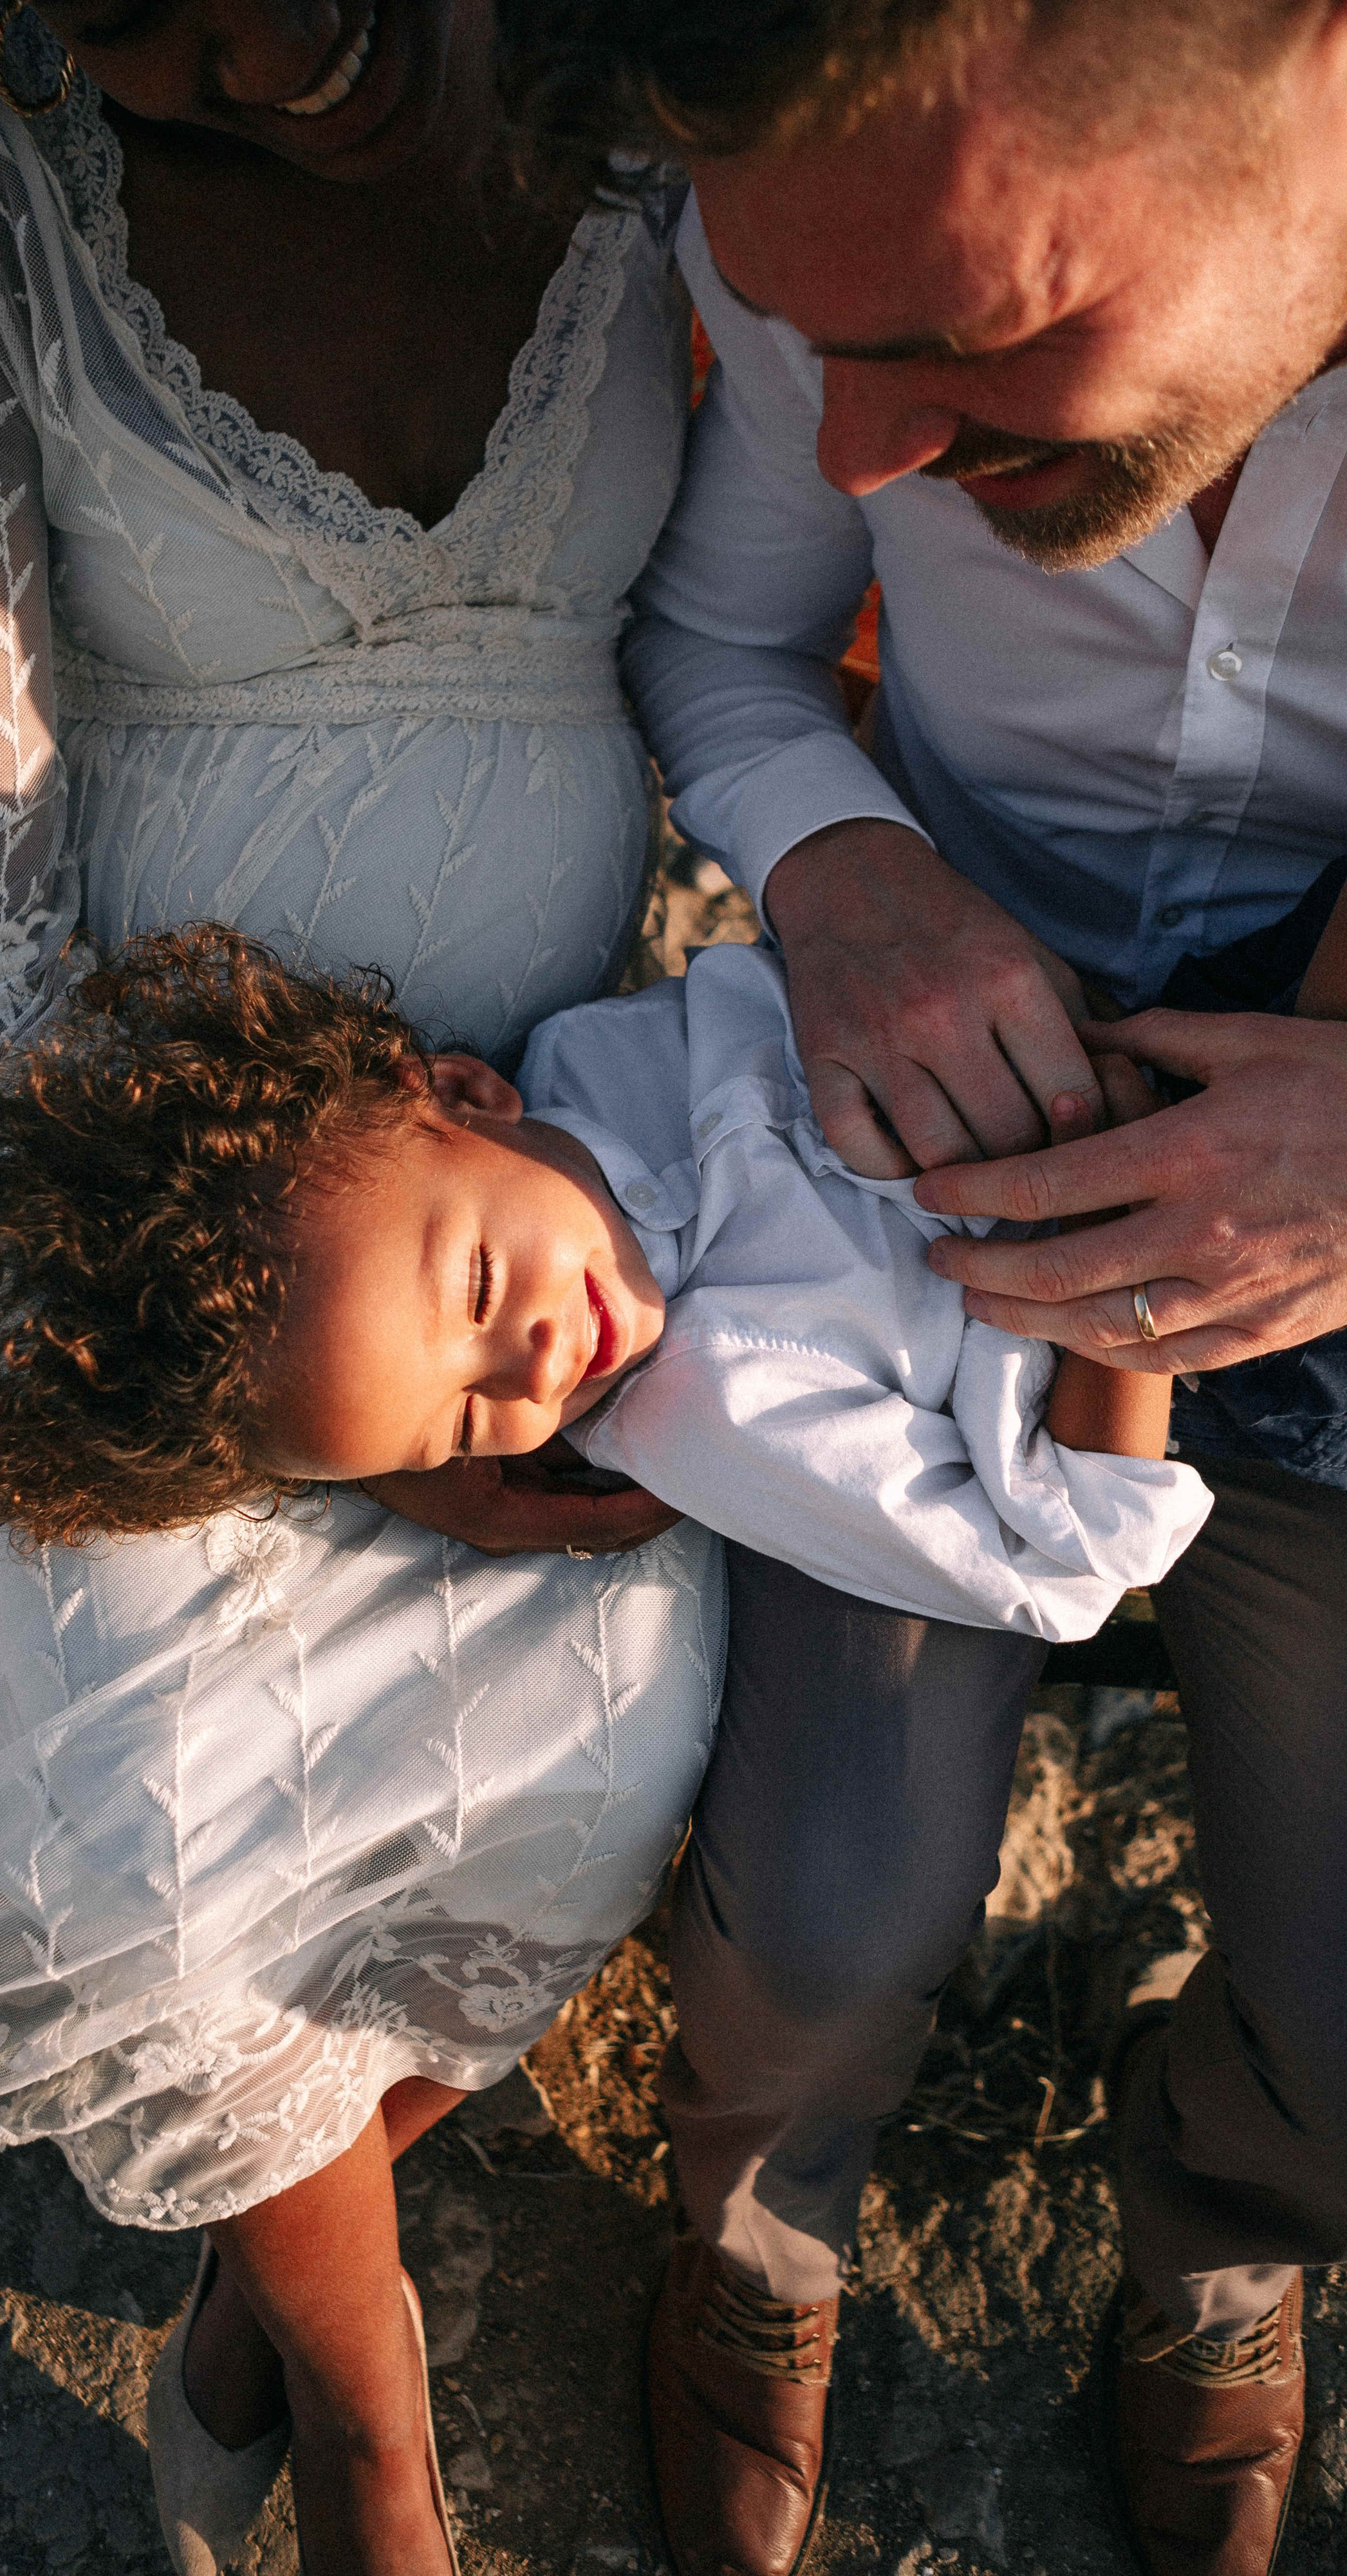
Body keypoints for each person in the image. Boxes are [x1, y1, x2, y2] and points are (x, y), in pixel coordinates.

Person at [0, 6, 725, 2572]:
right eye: (127, 31)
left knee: (617, 1726)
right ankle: (367, 2405)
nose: (246, 52)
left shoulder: (653, 64)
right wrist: (282, 1363)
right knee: (150, 1817)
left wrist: (489, 1259)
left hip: (545, 1200)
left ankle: (271, 2283)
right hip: (110, 1188)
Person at [496, 6, 1347, 2573]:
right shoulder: (835, 250)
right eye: (810, 343)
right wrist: (845, 870)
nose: (864, 453)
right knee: (831, 1904)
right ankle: (754, 2228)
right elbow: (736, 650)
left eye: (964, 340)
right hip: (924, 1171)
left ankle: (1220, 2224)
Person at [0, 921, 1209, 1625]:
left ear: (465, 1095)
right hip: (1174, 1292)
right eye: (473, 1420)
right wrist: (1118, 1260)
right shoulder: (706, 1410)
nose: (540, 1367)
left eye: (481, 1292)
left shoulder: (598, 1060)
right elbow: (1070, 1568)